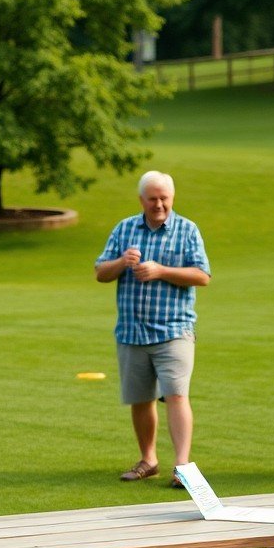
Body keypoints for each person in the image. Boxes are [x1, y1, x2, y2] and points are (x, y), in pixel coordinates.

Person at [95, 171, 211, 487]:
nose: (159, 204)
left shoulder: (187, 230)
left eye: (164, 198)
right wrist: (122, 263)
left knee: (175, 394)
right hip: (132, 331)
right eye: (152, 198)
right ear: (141, 200)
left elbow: (202, 275)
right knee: (140, 399)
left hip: (174, 330)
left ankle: (183, 466)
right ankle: (148, 460)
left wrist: (161, 271)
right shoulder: (124, 229)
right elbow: (100, 272)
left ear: (172, 198)